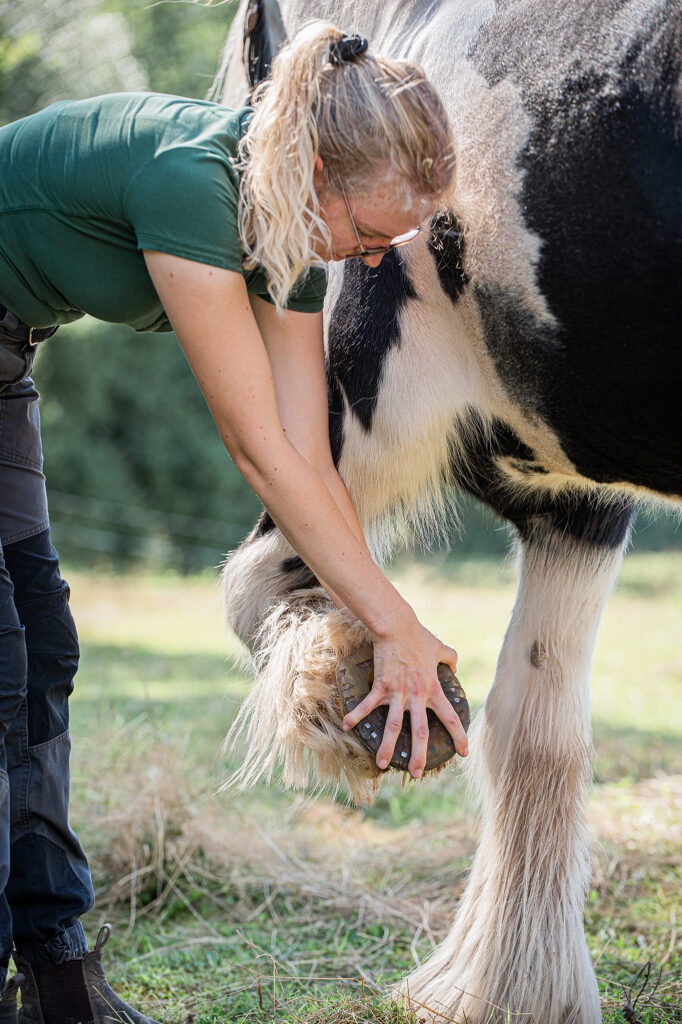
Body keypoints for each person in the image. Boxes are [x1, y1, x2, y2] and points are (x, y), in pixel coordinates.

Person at [0, 20, 468, 1022]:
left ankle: (55, 975)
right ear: (314, 174)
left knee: (40, 648)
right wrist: (392, 623)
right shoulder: (189, 184)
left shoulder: (290, 242)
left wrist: (389, 628)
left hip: (4, 361)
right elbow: (255, 449)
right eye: (372, 235)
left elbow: (309, 464)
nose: (376, 261)